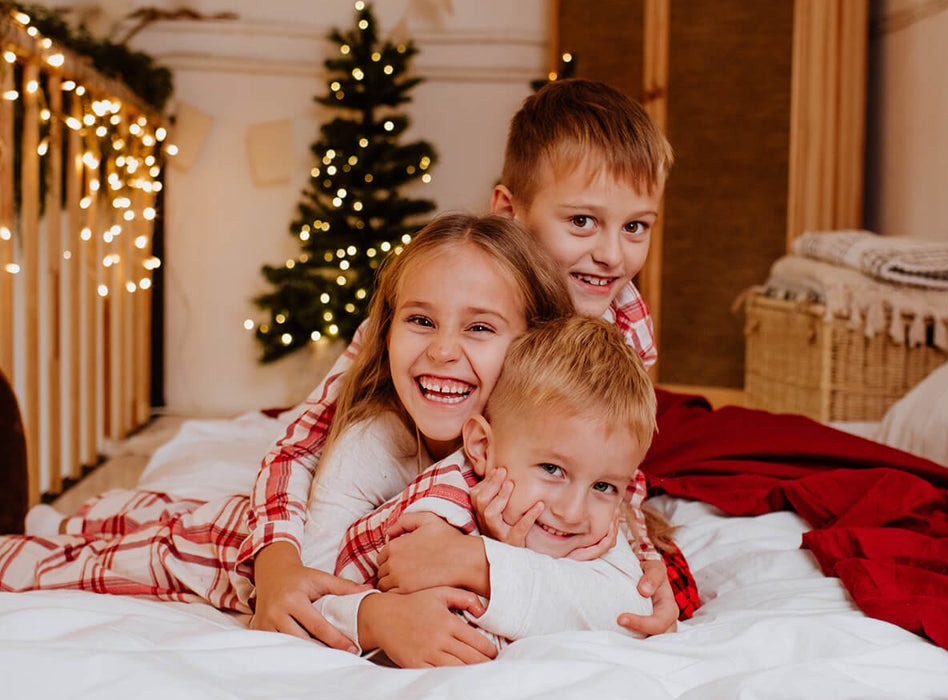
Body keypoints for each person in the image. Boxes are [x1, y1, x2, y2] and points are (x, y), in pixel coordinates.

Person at [0, 215, 573, 664]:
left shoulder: (543, 453)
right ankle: (72, 524)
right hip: (232, 555)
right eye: (420, 320)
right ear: (388, 329)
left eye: (478, 328)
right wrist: (377, 617)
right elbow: (316, 566)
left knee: (147, 518)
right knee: (86, 556)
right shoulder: (377, 437)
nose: (443, 350)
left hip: (239, 525)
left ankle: (91, 516)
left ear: (535, 344)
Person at [246, 80, 683, 646]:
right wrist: (276, 562)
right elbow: (304, 442)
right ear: (509, 211)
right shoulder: (439, 297)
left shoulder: (619, 321)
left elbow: (613, 454)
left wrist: (642, 558)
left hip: (512, 485)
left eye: (635, 227)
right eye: (581, 221)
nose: (611, 254)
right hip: (420, 463)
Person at [312, 316, 661, 665]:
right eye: (552, 469)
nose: (573, 512)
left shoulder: (595, 528)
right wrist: (375, 621)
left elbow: (635, 614)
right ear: (481, 447)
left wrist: (483, 563)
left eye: (604, 486)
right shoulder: (438, 517)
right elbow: (321, 599)